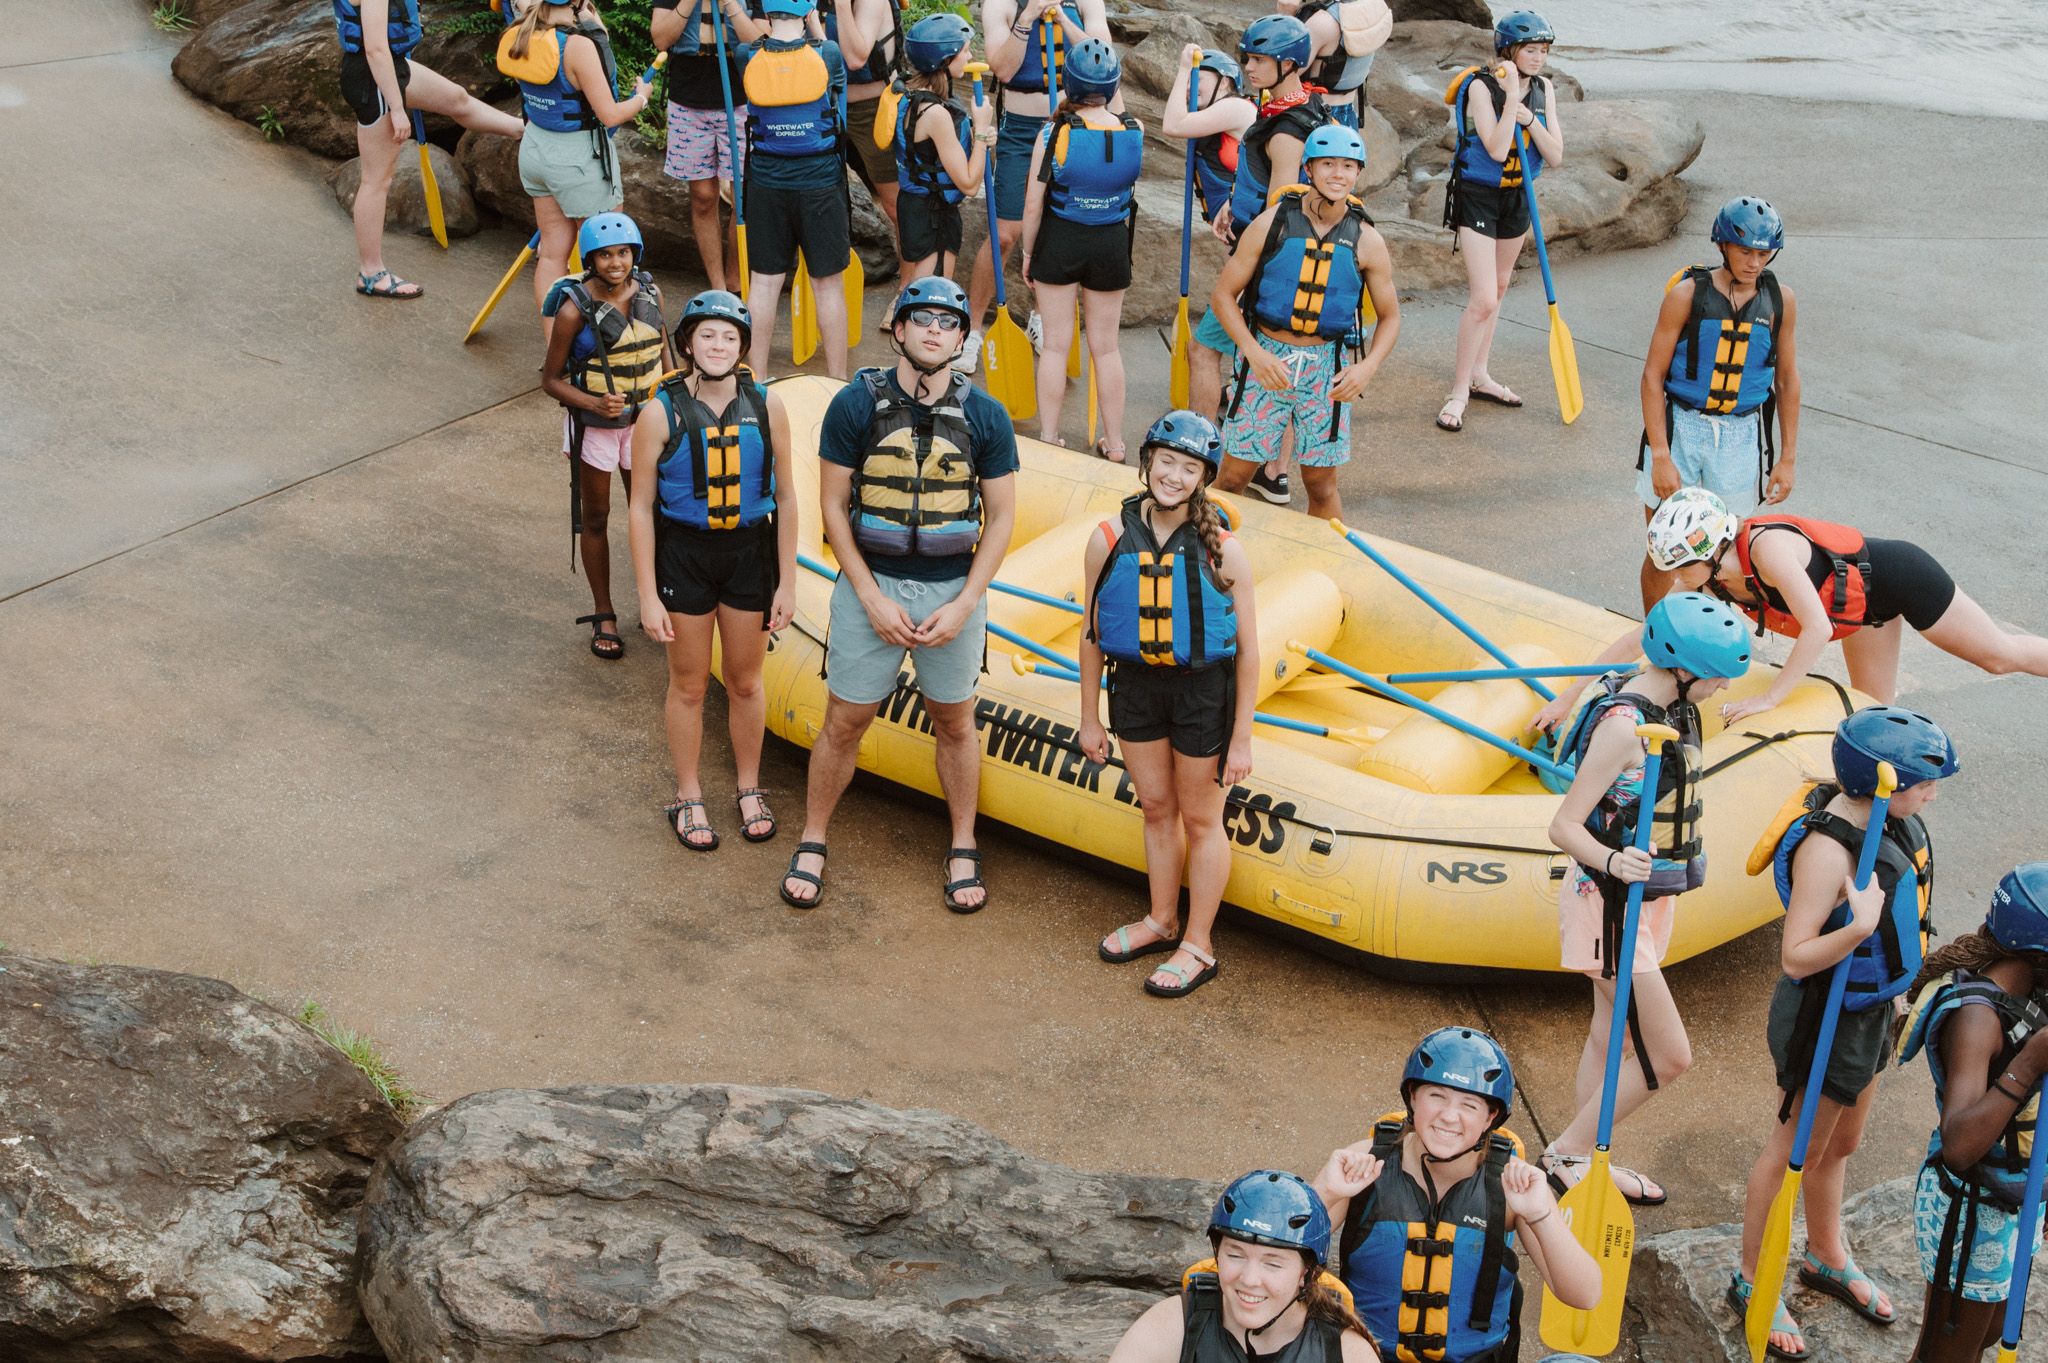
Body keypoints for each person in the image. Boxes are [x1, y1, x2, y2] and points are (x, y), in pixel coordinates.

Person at [1725, 706, 1957, 1360]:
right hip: (1824, 1014)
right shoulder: (1828, 852)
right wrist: (1857, 927)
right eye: (1923, 783)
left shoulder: (1893, 820)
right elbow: (1796, 956)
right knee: (1794, 1147)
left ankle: (1825, 1253)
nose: (1932, 795)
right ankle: (1751, 1277)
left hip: (1872, 1007)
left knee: (1843, 1140)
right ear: (1881, 782)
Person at [780, 279, 1018, 910]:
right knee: (844, 721)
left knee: (955, 722)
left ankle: (963, 842)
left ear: (961, 339)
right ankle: (812, 837)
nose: (934, 330)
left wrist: (964, 604)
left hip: (951, 591)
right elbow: (833, 507)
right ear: (900, 328)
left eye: (948, 322)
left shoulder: (986, 416)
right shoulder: (855, 406)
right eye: (923, 319)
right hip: (873, 585)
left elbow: (1000, 518)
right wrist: (870, 597)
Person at [1540, 593, 1752, 1206]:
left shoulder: (1670, 705)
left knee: (1612, 1037)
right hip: (1609, 904)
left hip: (1645, 900)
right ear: (1683, 670)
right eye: (1717, 677)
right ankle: (1567, 1156)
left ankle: (1586, 1161)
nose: (1721, 688)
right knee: (1670, 1056)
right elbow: (1563, 826)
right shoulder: (1623, 729)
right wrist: (1612, 860)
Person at [1553, 491, 2048, 724]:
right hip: (1859, 614)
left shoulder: (1766, 549)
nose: (1676, 579)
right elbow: (1643, 636)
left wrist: (1770, 699)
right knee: (1873, 710)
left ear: (1711, 550)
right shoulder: (1709, 576)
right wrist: (1570, 696)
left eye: (1682, 566)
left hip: (1900, 578)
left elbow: (1815, 629)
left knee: (1999, 657)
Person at [1079, 412, 1256, 999]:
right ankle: (1161, 920)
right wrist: (1089, 717)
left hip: (1202, 693)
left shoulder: (1224, 550)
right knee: (1156, 808)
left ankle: (1198, 945)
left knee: (1202, 820)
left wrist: (1242, 737)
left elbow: (1250, 651)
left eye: (1189, 468)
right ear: (1148, 461)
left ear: (1204, 477)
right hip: (1135, 686)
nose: (1174, 476)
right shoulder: (1108, 538)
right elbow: (1092, 635)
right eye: (1166, 461)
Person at [1313, 1028, 1603, 1363]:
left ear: (1490, 1118)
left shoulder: (1513, 1183)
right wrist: (1326, 1193)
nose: (1450, 1116)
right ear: (1413, 1098)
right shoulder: (1363, 1163)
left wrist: (1542, 1215)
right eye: (1437, 1096)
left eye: (1469, 1104)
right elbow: (1278, 1262)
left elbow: (1585, 1296)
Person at [627, 291, 796, 850]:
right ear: (687, 343)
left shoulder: (768, 406)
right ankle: (689, 794)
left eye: (729, 337)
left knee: (746, 682)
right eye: (707, 335)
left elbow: (786, 498)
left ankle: (749, 787)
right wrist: (647, 595)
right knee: (690, 684)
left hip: (750, 554)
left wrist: (787, 582)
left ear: (743, 346)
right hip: (685, 556)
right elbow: (639, 508)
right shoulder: (659, 412)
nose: (718, 345)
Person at [1207, 124, 1399, 523]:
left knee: (1320, 484)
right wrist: (1253, 353)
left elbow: (1390, 317)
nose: (1338, 174)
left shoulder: (1367, 240)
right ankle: (1206, 551)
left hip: (1326, 371)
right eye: (1328, 164)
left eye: (1348, 166)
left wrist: (1367, 367)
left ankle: (1327, 558)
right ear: (1308, 169)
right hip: (1265, 362)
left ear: (1358, 172)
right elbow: (1223, 296)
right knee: (1233, 477)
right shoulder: (1271, 224)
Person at [1895, 863, 2048, 1363]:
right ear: (2038, 954)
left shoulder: (2034, 996)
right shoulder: (1977, 1017)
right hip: (1972, 1210)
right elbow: (1959, 1146)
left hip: (2018, 1200)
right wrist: (2028, 1065)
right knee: (1947, 1354)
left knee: (1991, 1330)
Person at [1187, 14, 1327, 504]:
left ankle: (1196, 453)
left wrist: (1248, 268)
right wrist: (1233, 202)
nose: (1248, 67)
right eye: (1247, 57)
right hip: (1287, 258)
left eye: (1260, 60)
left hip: (1268, 262)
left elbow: (1281, 206)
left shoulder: (1288, 129)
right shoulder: (1306, 104)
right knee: (1279, 367)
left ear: (1290, 64)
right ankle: (1274, 472)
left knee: (1203, 350)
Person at [1636, 197, 1802, 610]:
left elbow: (1786, 379)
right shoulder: (1686, 295)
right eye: (1745, 251)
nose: (1754, 263)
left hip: (1741, 435)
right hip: (1682, 427)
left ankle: (1708, 634)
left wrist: (1786, 459)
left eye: (1763, 253)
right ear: (1722, 246)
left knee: (1727, 557)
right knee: (1665, 551)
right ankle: (1654, 630)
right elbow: (1652, 377)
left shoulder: (1781, 301)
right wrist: (1660, 455)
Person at [538, 212, 672, 660]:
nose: (616, 263)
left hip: (646, 425)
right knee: (595, 518)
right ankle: (604, 612)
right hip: (596, 429)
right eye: (605, 255)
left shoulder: (651, 293)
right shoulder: (573, 310)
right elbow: (550, 380)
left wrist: (679, 405)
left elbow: (666, 360)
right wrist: (595, 405)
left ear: (635, 254)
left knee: (652, 513)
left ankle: (659, 598)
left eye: (623, 253)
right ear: (590, 260)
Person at [335, 0, 524, 299]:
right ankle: (370, 272)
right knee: (376, 181)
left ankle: (520, 130)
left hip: (390, 67)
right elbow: (375, 49)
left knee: (456, 99)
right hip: (376, 79)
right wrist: (397, 108)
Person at [966, 0, 1112, 372]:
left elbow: (1103, 59)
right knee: (1004, 233)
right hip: (1019, 130)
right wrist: (1029, 15)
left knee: (1057, 226)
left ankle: (1041, 318)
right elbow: (1003, 69)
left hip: (1073, 126)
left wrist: (1062, 18)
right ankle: (971, 329)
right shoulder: (1002, 3)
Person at [1435, 10, 1563, 434]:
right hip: (1478, 195)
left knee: (1502, 285)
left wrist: (1531, 119)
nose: (1538, 58)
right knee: (1484, 298)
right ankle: (1459, 391)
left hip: (1517, 196)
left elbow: (1555, 155)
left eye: (1543, 51)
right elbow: (1495, 148)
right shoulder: (1480, 87)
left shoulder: (1544, 89)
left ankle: (1480, 373)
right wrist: (1510, 100)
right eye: (1531, 50)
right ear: (1508, 51)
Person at [1107, 1170, 1377, 1363]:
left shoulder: (1346, 1352)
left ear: (1307, 1273)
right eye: (1235, 1255)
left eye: (1273, 1263)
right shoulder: (1172, 1326)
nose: (1249, 1279)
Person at [1020, 40, 1143, 456]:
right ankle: (1116, 443)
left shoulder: (1054, 132)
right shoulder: (1134, 130)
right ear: (1113, 87)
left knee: (1056, 345)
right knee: (1106, 347)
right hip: (1111, 242)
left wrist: (1028, 254)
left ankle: (1048, 436)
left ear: (1068, 83)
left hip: (1061, 239)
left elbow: (1033, 204)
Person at [501, 0, 654, 323]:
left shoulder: (519, 31)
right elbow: (609, 114)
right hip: (579, 162)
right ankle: (602, 345)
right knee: (608, 260)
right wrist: (642, 97)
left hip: (536, 149)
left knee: (552, 255)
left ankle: (555, 344)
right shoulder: (577, 46)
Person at [740, 0, 854, 378]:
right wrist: (814, 22)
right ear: (807, 11)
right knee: (828, 286)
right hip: (820, 183)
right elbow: (837, 84)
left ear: (766, 12)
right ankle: (837, 381)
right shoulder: (828, 53)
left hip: (765, 182)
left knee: (763, 284)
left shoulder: (745, 55)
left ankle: (756, 380)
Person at [651, 0, 763, 296]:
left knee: (744, 199)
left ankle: (735, 283)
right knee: (702, 197)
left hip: (742, 99)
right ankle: (717, 288)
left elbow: (761, 43)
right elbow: (661, 38)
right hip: (688, 101)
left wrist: (729, 3)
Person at [892, 14, 993, 287]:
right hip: (932, 215)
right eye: (965, 50)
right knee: (932, 297)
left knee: (917, 291)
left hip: (915, 206)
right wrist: (982, 132)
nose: (970, 56)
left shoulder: (908, 94)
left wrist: (980, 137)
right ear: (945, 59)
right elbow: (970, 184)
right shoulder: (936, 113)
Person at [824, 0, 902, 249]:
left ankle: (912, 274)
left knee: (897, 206)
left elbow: (855, 58)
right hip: (826, 108)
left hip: (874, 109)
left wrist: (841, 5)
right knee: (820, 202)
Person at [1279, 0, 1391, 129]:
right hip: (1348, 117)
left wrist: (1284, 17)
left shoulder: (1321, 22)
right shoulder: (1374, 6)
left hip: (1314, 118)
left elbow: (1280, 74)